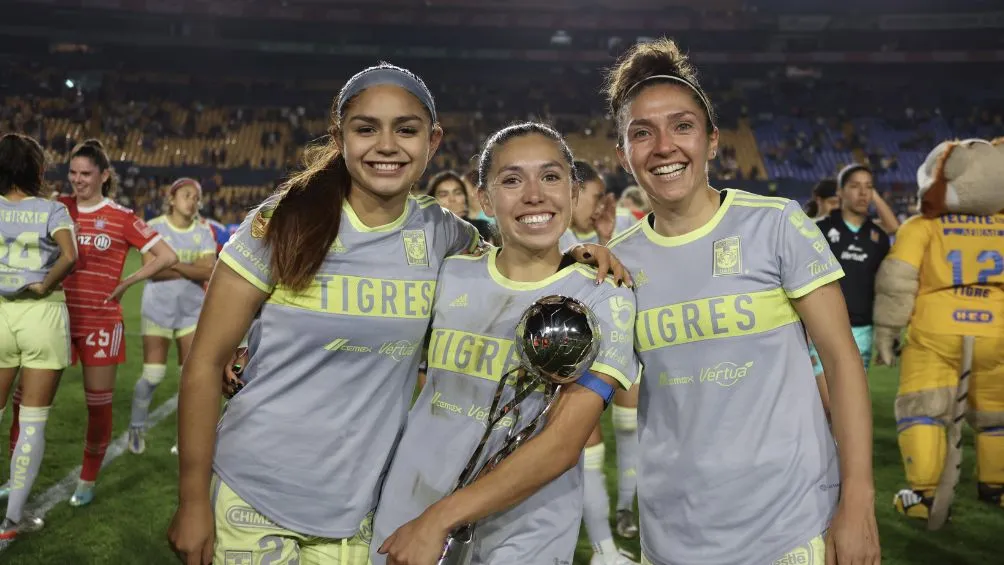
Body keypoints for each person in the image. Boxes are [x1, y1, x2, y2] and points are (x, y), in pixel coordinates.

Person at [168, 63, 627, 565]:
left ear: (432, 142)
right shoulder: (284, 220)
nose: (386, 145)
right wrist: (192, 501)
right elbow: (205, 363)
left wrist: (575, 254)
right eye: (366, 129)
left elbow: (516, 250)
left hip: (363, 507)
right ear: (339, 135)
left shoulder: (442, 233)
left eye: (405, 130)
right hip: (256, 491)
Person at [601, 38, 880, 564]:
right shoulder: (618, 264)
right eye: (643, 133)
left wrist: (859, 499)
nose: (664, 146)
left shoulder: (775, 225)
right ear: (623, 155)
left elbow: (842, 361)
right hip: (673, 535)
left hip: (792, 525)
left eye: (682, 126)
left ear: (712, 141)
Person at [371, 122, 640, 565]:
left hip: (526, 528)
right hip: (409, 505)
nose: (534, 194)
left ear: (574, 192)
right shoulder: (450, 273)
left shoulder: (604, 294)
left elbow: (561, 444)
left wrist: (438, 519)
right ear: (484, 198)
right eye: (512, 180)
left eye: (551, 177)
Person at [6, 139, 178, 508]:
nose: (78, 180)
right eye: (72, 172)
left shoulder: (121, 216)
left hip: (100, 323)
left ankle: (87, 479)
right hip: (54, 319)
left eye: (86, 173)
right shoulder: (56, 208)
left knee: (97, 406)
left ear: (104, 176)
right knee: (26, 405)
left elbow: (167, 255)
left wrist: (128, 282)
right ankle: (14, 476)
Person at [870, 137, 1004, 518]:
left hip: (936, 331)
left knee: (923, 407)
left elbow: (898, 281)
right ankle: (996, 485)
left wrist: (887, 331)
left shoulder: (922, 227)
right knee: (997, 411)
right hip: (996, 331)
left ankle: (926, 496)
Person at [559, 160, 643, 554]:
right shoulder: (554, 237)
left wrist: (609, 236)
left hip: (621, 353)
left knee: (628, 429)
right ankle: (602, 548)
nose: (599, 206)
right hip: (578, 362)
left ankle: (625, 507)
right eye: (593, 197)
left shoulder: (617, 227)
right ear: (573, 194)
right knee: (588, 452)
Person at [0, 133, 77, 539]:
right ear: (36, 169)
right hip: (42, 315)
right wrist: (45, 284)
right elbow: (70, 255)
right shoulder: (52, 209)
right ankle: (12, 520)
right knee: (32, 422)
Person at [128, 178, 217, 455]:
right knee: (152, 375)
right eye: (187, 195)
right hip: (157, 310)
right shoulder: (154, 228)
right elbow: (150, 269)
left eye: (197, 197)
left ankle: (185, 438)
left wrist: (170, 263)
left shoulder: (203, 231)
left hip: (192, 312)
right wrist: (189, 267)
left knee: (189, 380)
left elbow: (208, 271)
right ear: (172, 198)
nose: (193, 201)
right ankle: (136, 426)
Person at [809, 165, 892, 415]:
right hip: (823, 328)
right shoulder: (818, 229)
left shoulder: (878, 236)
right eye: (855, 186)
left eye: (869, 187)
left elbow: (885, 286)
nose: (863, 193)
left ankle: (836, 454)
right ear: (841, 192)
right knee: (829, 406)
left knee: (846, 411)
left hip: (863, 331)